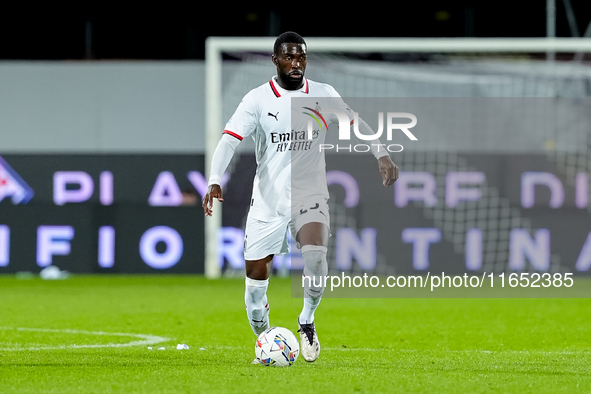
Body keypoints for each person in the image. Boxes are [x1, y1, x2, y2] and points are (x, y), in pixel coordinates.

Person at [203, 31, 398, 363]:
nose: (297, 64)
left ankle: (306, 320)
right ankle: (266, 342)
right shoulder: (257, 99)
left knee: (316, 258)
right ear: (276, 60)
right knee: (254, 288)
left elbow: (356, 122)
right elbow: (228, 140)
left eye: (302, 57)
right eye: (290, 57)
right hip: (268, 200)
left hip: (310, 195)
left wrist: (381, 153)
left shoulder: (323, 94)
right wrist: (214, 179)